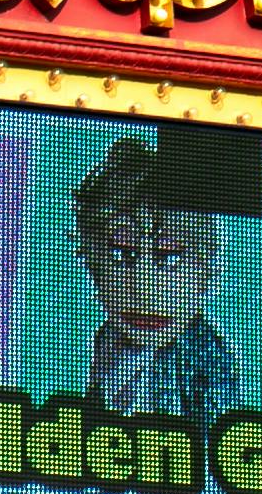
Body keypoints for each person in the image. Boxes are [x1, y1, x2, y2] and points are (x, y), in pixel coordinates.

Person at [73, 132, 248, 426]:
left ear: (207, 270)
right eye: (122, 254)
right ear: (93, 261)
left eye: (169, 257)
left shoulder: (207, 358)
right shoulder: (107, 342)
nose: (143, 288)